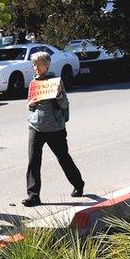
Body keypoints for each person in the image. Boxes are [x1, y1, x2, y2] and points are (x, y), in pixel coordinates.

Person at [23, 51, 84, 207]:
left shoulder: (55, 81)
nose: (35, 67)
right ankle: (33, 195)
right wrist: (31, 104)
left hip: (55, 127)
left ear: (47, 64)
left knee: (63, 157)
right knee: (33, 161)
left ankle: (78, 183)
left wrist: (58, 95)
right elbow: (31, 107)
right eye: (33, 64)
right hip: (36, 126)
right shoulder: (33, 83)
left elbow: (64, 104)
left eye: (38, 64)